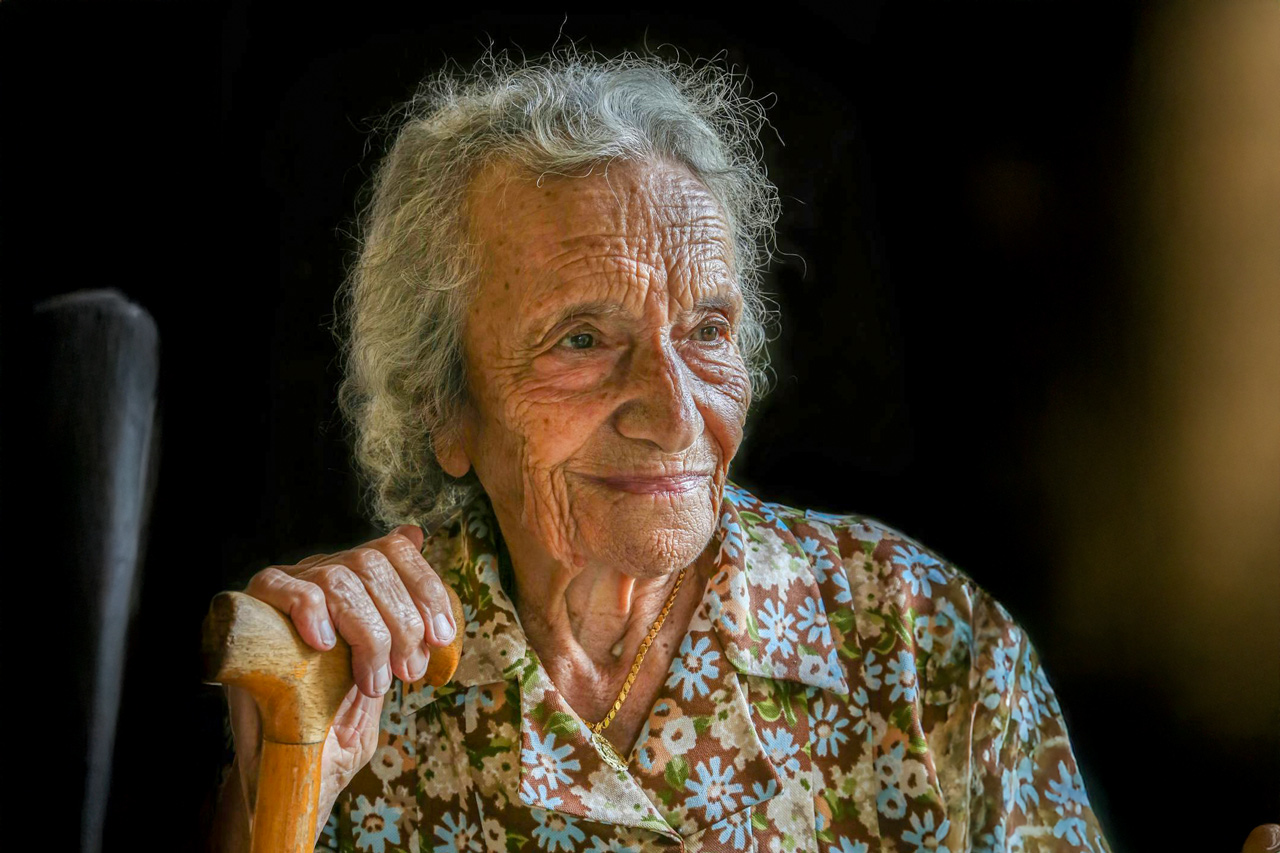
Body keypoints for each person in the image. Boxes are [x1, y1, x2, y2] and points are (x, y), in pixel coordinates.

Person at [214, 51, 1114, 852]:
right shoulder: (356, 682)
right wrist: (284, 791)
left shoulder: (930, 646)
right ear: (444, 404)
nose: (675, 410)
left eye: (707, 330)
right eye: (581, 339)